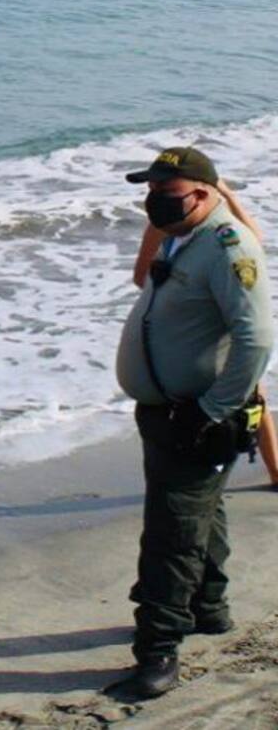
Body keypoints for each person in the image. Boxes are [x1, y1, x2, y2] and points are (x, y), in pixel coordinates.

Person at [114, 146, 274, 699]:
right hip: (170, 410)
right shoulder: (185, 234)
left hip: (193, 415)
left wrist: (210, 412)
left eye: (166, 191)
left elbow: (256, 340)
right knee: (204, 509)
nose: (153, 201)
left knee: (171, 533)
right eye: (150, 190)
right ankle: (209, 605)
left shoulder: (228, 248)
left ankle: (157, 650)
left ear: (205, 194)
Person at [132, 180, 278, 488]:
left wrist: (227, 195)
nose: (154, 195)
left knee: (253, 393)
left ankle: (274, 469)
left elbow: (254, 241)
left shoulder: (220, 228)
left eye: (161, 187)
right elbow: (141, 276)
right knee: (251, 393)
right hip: (192, 323)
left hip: (223, 316)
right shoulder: (167, 223)